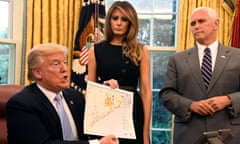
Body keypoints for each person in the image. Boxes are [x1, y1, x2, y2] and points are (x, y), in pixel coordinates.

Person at [6, 43, 119, 144]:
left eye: (65, 62)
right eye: (56, 64)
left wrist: (107, 94)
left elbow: (94, 127)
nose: (64, 68)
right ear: (37, 73)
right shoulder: (22, 104)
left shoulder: (75, 97)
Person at [159, 7, 240, 144]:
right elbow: (166, 94)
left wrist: (228, 100)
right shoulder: (177, 60)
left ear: (216, 24)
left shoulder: (237, 56)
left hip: (229, 135)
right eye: (193, 23)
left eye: (201, 21)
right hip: (189, 135)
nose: (196, 26)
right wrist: (190, 105)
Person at [88, 1, 152, 144]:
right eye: (115, 18)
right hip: (105, 111)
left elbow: (146, 92)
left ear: (131, 23)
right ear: (109, 19)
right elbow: (91, 91)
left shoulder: (141, 50)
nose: (118, 23)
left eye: (124, 19)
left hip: (132, 111)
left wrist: (145, 132)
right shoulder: (95, 50)